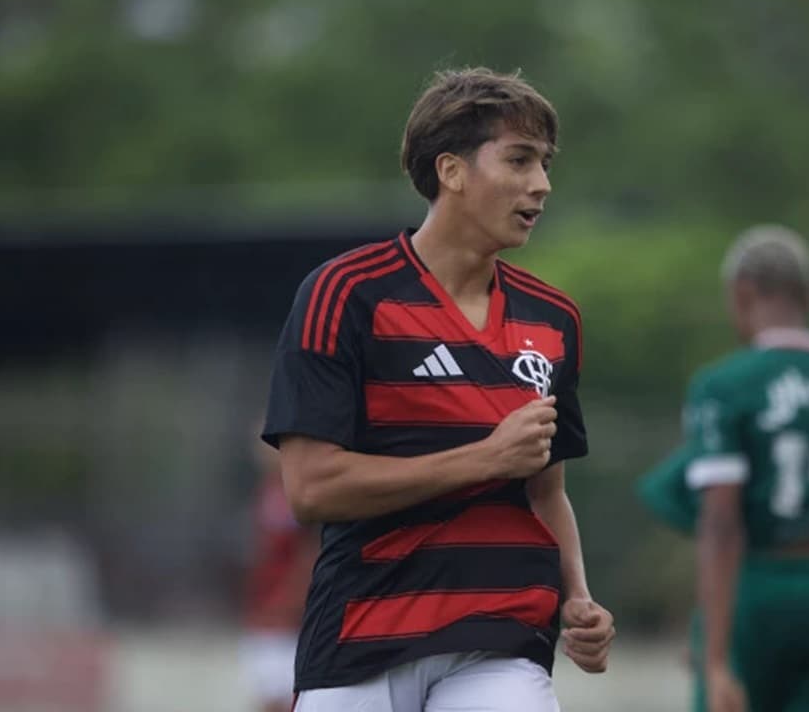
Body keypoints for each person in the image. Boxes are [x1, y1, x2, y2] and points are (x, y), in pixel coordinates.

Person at [261, 67, 615, 712]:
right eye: (519, 159)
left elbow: (545, 490)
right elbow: (311, 489)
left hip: (503, 641)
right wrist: (484, 458)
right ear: (451, 171)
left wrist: (578, 598)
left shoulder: (554, 318)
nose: (542, 183)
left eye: (544, 163)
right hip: (362, 639)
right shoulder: (344, 294)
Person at [637, 225, 809, 712]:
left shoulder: (727, 384)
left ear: (741, 293)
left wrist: (714, 654)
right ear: (808, 296)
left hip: (757, 585)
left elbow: (721, 523)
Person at [240, 441, 319, 712]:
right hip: (263, 616)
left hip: (288, 622)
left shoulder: (298, 494)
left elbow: (308, 555)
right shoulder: (266, 491)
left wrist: (290, 604)